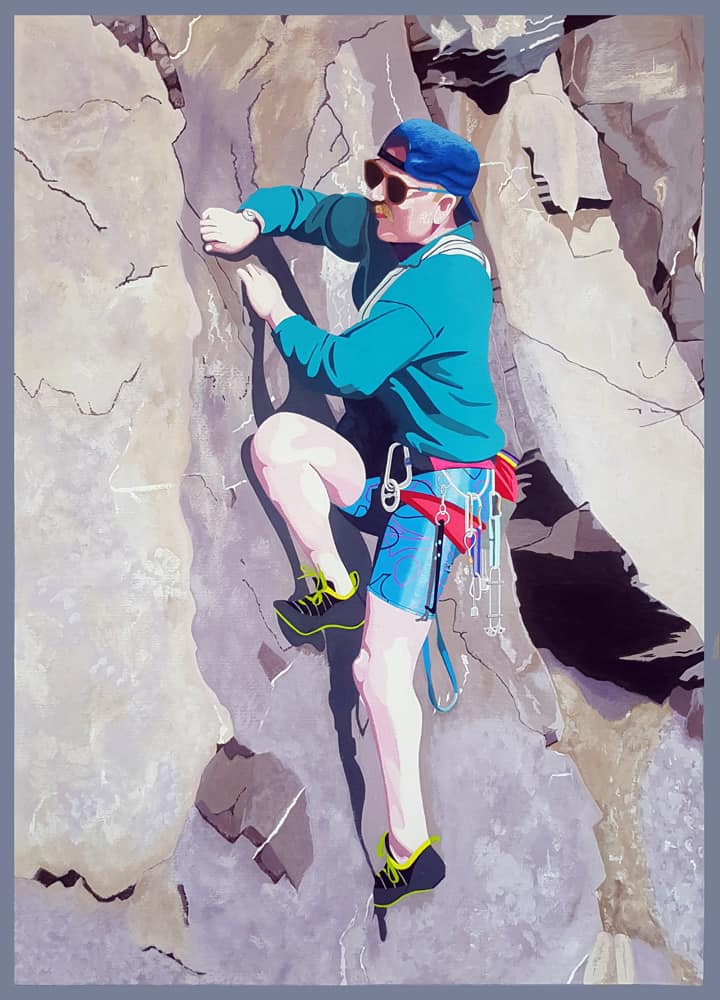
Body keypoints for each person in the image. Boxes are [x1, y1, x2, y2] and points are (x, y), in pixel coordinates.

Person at [200, 118, 516, 908]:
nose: (377, 196)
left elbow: (342, 367)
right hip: (393, 463)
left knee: (378, 674)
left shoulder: (445, 285)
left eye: (395, 188)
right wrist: (252, 219)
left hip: (442, 491)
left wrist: (276, 311)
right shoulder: (387, 223)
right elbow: (312, 210)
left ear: (442, 207)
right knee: (277, 445)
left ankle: (412, 849)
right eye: (377, 174)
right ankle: (335, 589)